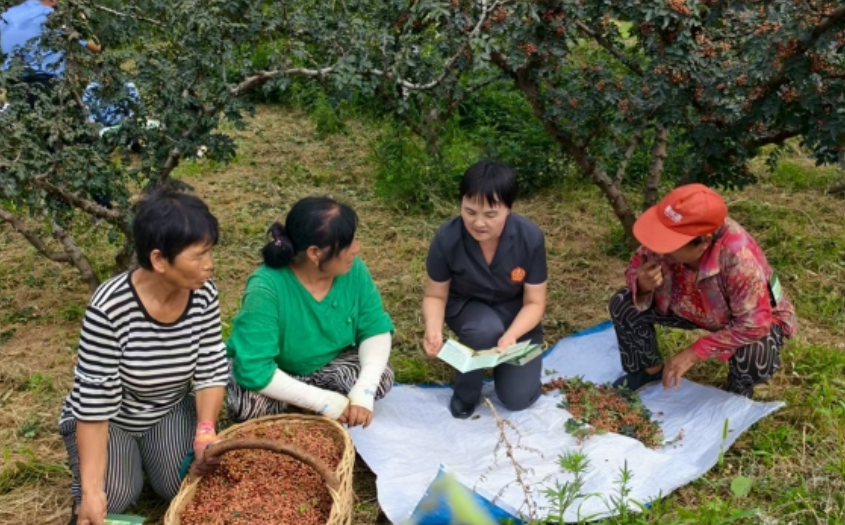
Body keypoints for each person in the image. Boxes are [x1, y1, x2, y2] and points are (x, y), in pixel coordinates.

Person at [58, 190, 229, 525]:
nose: (209, 265)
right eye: (198, 256)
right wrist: (93, 493)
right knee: (116, 496)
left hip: (166, 409)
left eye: (210, 252)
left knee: (183, 483)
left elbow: (211, 367)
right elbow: (94, 402)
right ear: (159, 260)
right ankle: (103, 476)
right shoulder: (109, 307)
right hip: (114, 418)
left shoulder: (203, 293)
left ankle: (153, 457)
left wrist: (205, 430)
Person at [608, 183, 797, 398]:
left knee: (755, 353)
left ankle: (737, 392)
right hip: (687, 305)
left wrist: (693, 353)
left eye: (669, 244)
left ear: (703, 242)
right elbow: (634, 267)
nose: (659, 249)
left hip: (740, 318)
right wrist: (642, 282)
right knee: (623, 303)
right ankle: (647, 371)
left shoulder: (739, 258)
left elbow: (754, 325)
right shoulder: (667, 238)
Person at [226, 196, 394, 428]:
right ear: (315, 253)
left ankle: (300, 405)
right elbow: (254, 367)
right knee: (246, 405)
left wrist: (364, 390)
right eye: (347, 244)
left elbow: (375, 327)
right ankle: (307, 403)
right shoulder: (266, 287)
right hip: (276, 370)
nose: (356, 248)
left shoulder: (354, 270)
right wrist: (322, 400)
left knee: (380, 377)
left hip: (326, 364)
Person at [422, 160, 548, 419]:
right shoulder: (447, 238)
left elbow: (535, 302)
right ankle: (466, 393)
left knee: (517, 399)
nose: (478, 222)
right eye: (469, 211)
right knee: (484, 330)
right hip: (469, 309)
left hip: (516, 316)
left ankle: (504, 365)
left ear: (508, 209)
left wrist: (512, 335)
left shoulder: (530, 238)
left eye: (491, 214)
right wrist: (433, 329)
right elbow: (435, 294)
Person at [1, 0, 102, 104]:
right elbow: (96, 47)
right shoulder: (54, 18)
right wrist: (83, 23)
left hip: (11, 85)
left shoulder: (7, 15)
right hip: (46, 86)